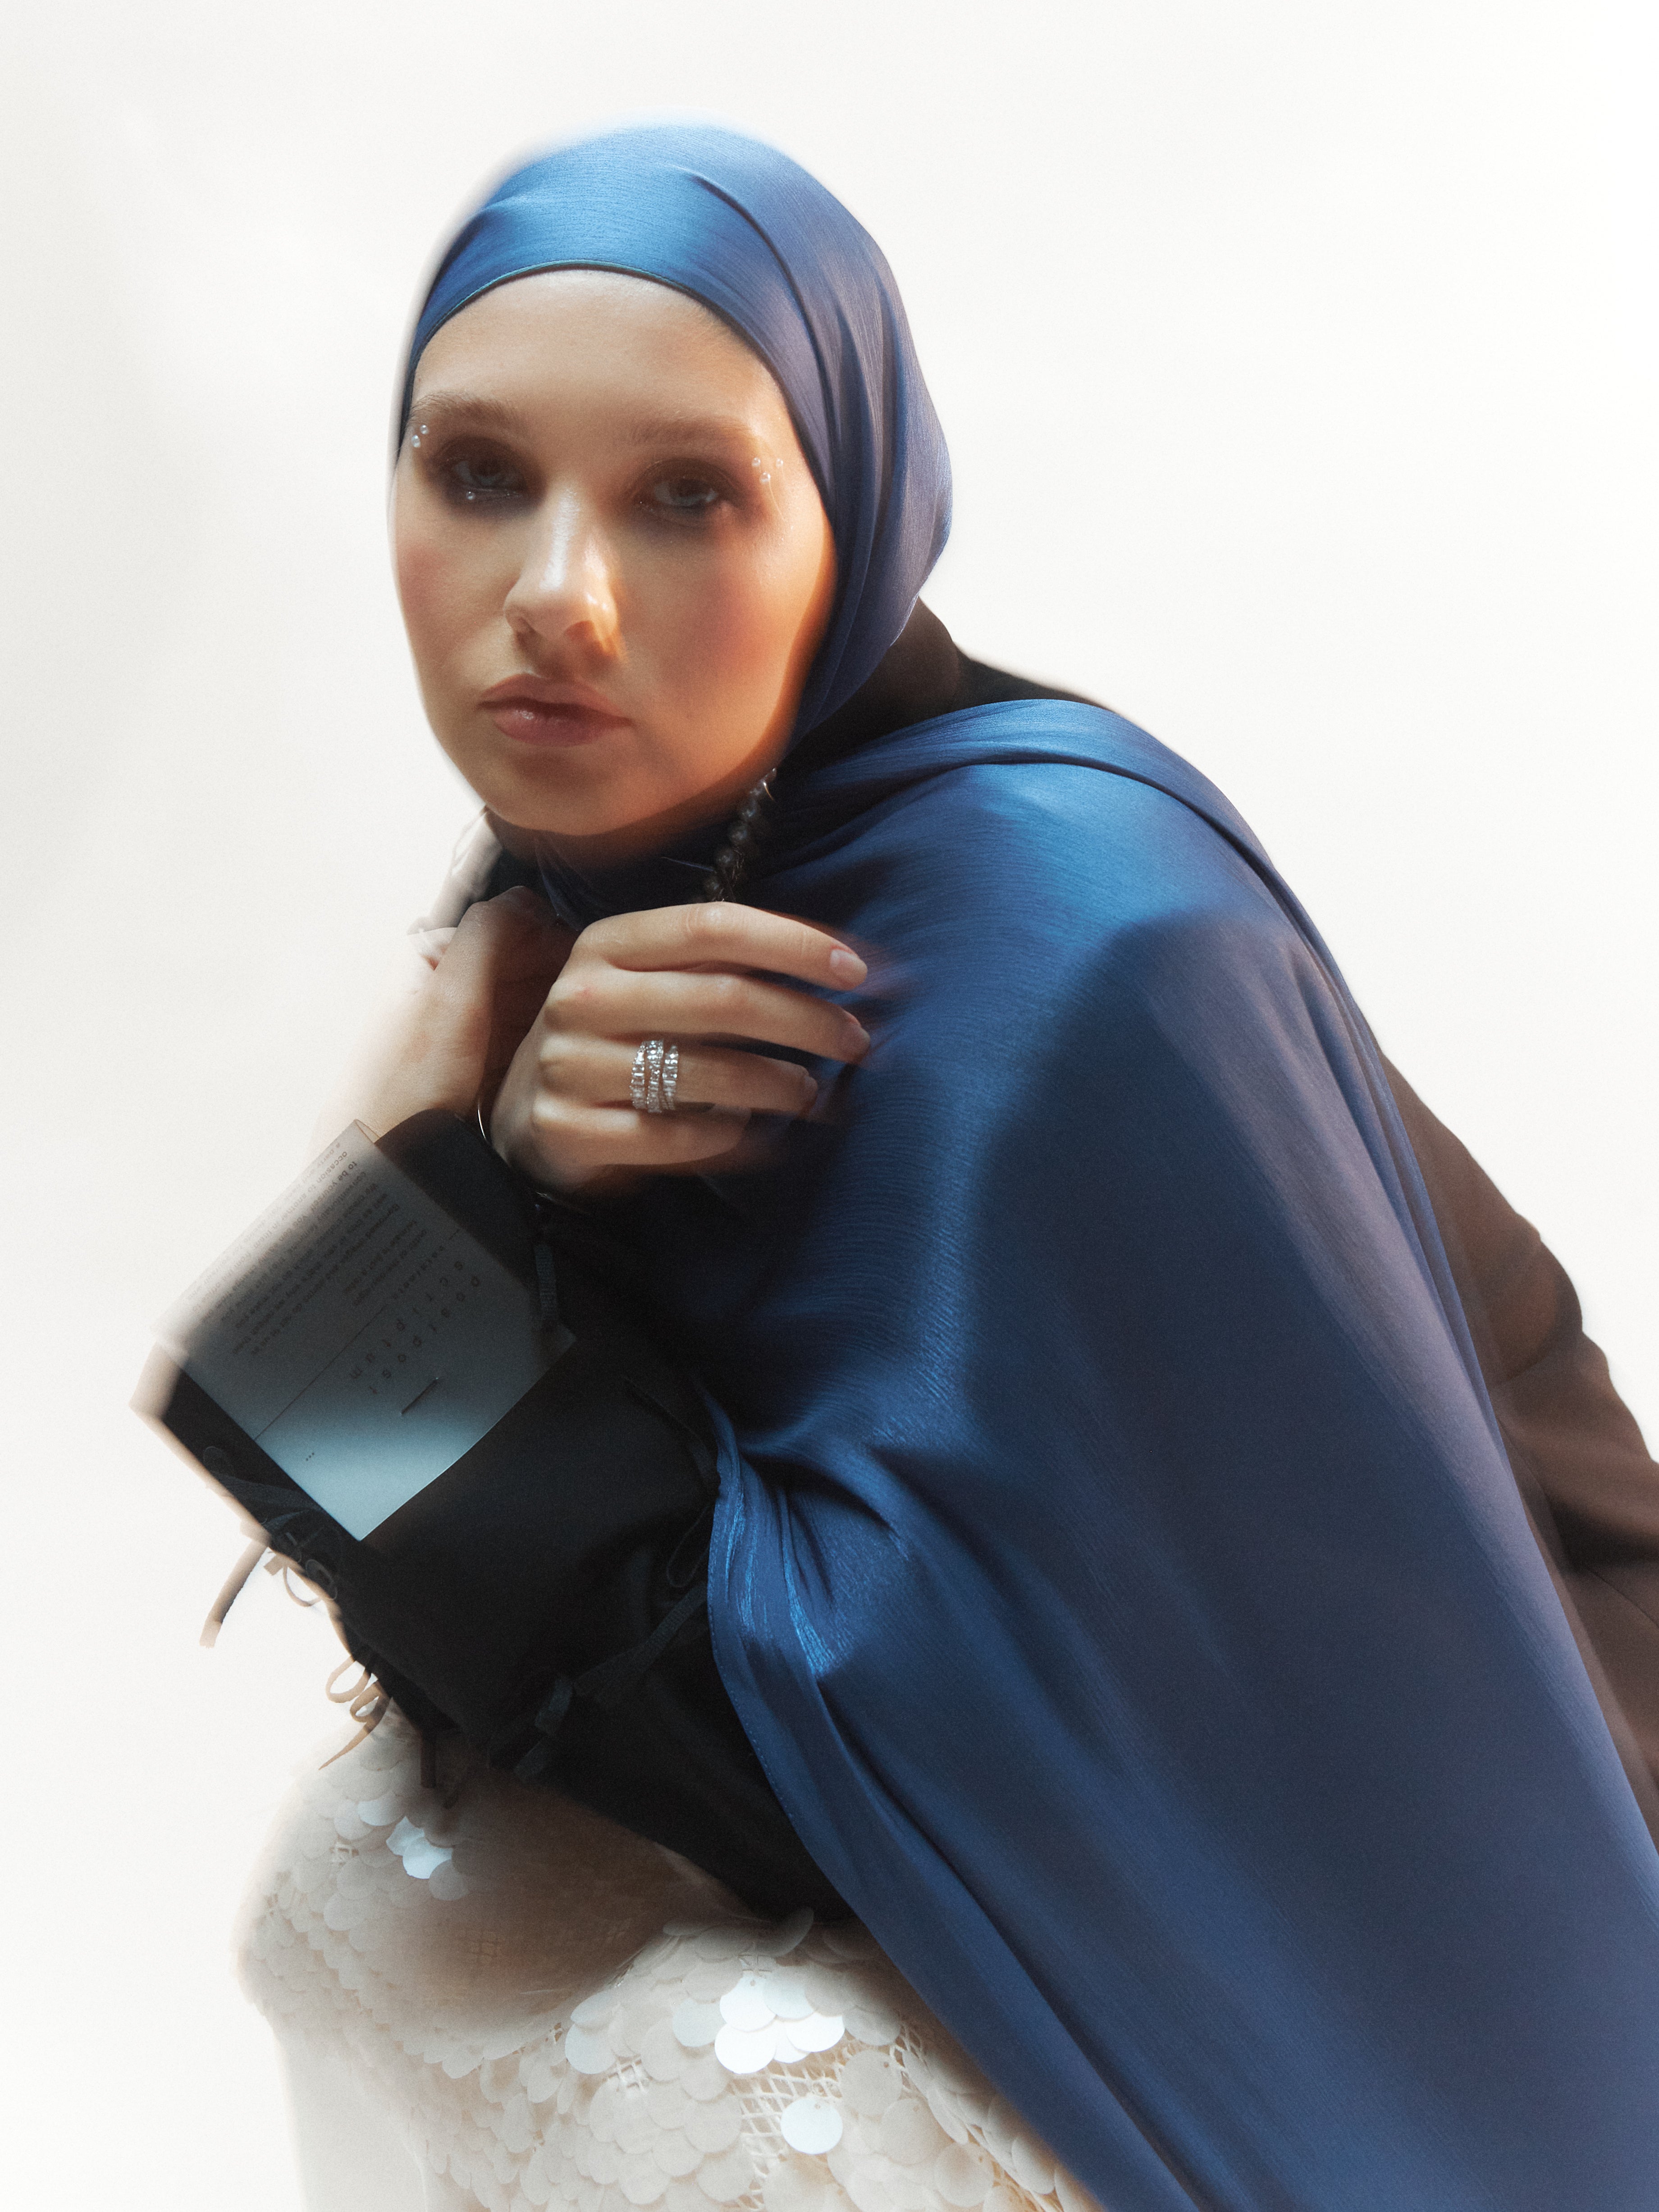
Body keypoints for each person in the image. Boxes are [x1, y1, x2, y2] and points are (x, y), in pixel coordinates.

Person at [237, 128, 1659, 2212]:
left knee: (701, 2079)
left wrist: (404, 1210)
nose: (558, 596)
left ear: (859, 518)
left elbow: (819, 1755)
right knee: (385, 1887)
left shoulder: (1070, 956)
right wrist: (494, 1169)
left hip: (1463, 1887)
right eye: (477, 476)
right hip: (1077, 1817)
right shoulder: (618, 872)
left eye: (687, 495)